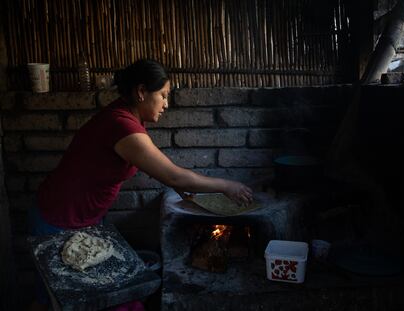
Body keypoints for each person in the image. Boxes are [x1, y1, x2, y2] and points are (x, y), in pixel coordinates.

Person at [29, 59, 253, 311]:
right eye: (163, 95)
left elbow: (156, 168)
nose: (166, 104)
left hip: (86, 218)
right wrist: (226, 185)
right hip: (59, 217)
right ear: (141, 92)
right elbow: (173, 175)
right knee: (53, 301)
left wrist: (177, 183)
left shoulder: (128, 118)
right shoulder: (121, 124)